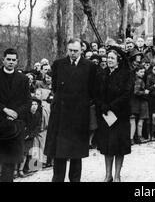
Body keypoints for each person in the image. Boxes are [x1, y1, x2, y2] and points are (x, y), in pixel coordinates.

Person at [44, 38, 98, 182]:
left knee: (76, 154)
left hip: (79, 115)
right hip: (61, 115)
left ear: (82, 50)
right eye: (70, 50)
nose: (73, 53)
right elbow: (55, 87)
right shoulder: (58, 64)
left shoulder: (90, 66)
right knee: (59, 153)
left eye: (76, 51)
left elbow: (92, 90)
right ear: (67, 50)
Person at [0, 48, 31, 182]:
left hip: (14, 127)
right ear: (3, 60)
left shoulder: (23, 79)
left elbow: (27, 102)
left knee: (10, 165)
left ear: (17, 62)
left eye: (14, 60)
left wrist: (16, 113)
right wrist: (4, 110)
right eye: (8, 59)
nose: (11, 62)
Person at [96, 49, 132, 182]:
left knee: (119, 146)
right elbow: (97, 93)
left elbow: (127, 94)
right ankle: (108, 175)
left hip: (120, 115)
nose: (109, 60)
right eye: (108, 57)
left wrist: (112, 106)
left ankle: (117, 175)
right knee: (107, 146)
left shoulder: (125, 74)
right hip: (106, 116)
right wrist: (102, 105)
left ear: (118, 61)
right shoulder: (102, 74)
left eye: (112, 58)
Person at [18, 98, 42, 177]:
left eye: (36, 104)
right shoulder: (26, 114)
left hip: (30, 137)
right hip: (23, 135)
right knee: (20, 152)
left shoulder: (38, 114)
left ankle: (23, 169)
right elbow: (22, 124)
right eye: (32, 104)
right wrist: (25, 134)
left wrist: (30, 135)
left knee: (27, 153)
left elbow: (38, 127)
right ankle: (16, 170)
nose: (34, 106)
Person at [130, 66, 149, 144]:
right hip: (135, 102)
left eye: (143, 72)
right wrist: (145, 92)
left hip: (134, 102)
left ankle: (133, 138)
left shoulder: (134, 79)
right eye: (141, 72)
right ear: (136, 72)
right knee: (134, 120)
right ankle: (134, 138)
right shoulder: (138, 80)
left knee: (133, 120)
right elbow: (136, 91)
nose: (143, 73)